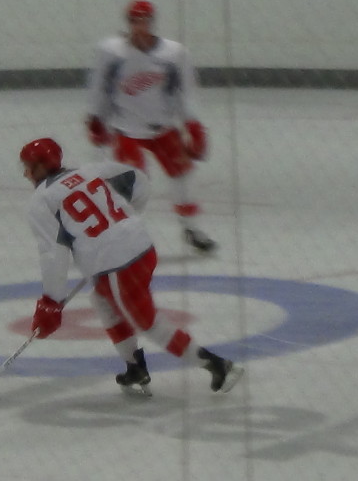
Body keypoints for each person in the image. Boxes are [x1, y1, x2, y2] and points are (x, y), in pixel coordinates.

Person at [19, 137, 244, 395]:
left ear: (38, 168)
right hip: (142, 248)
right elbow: (139, 180)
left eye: (28, 167)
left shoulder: (41, 201)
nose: (26, 173)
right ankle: (135, 366)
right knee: (102, 299)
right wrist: (126, 217)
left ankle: (217, 365)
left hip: (118, 263)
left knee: (148, 323)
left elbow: (53, 254)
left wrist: (51, 301)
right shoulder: (91, 170)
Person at [84, 0, 217, 253]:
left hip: (163, 128)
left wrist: (193, 125)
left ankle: (191, 228)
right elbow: (99, 86)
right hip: (126, 130)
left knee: (183, 177)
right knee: (132, 184)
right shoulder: (111, 53)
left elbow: (185, 92)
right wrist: (96, 118)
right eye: (135, 21)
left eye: (145, 21)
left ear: (152, 22)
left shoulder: (174, 53)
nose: (140, 27)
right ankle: (124, 235)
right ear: (128, 23)